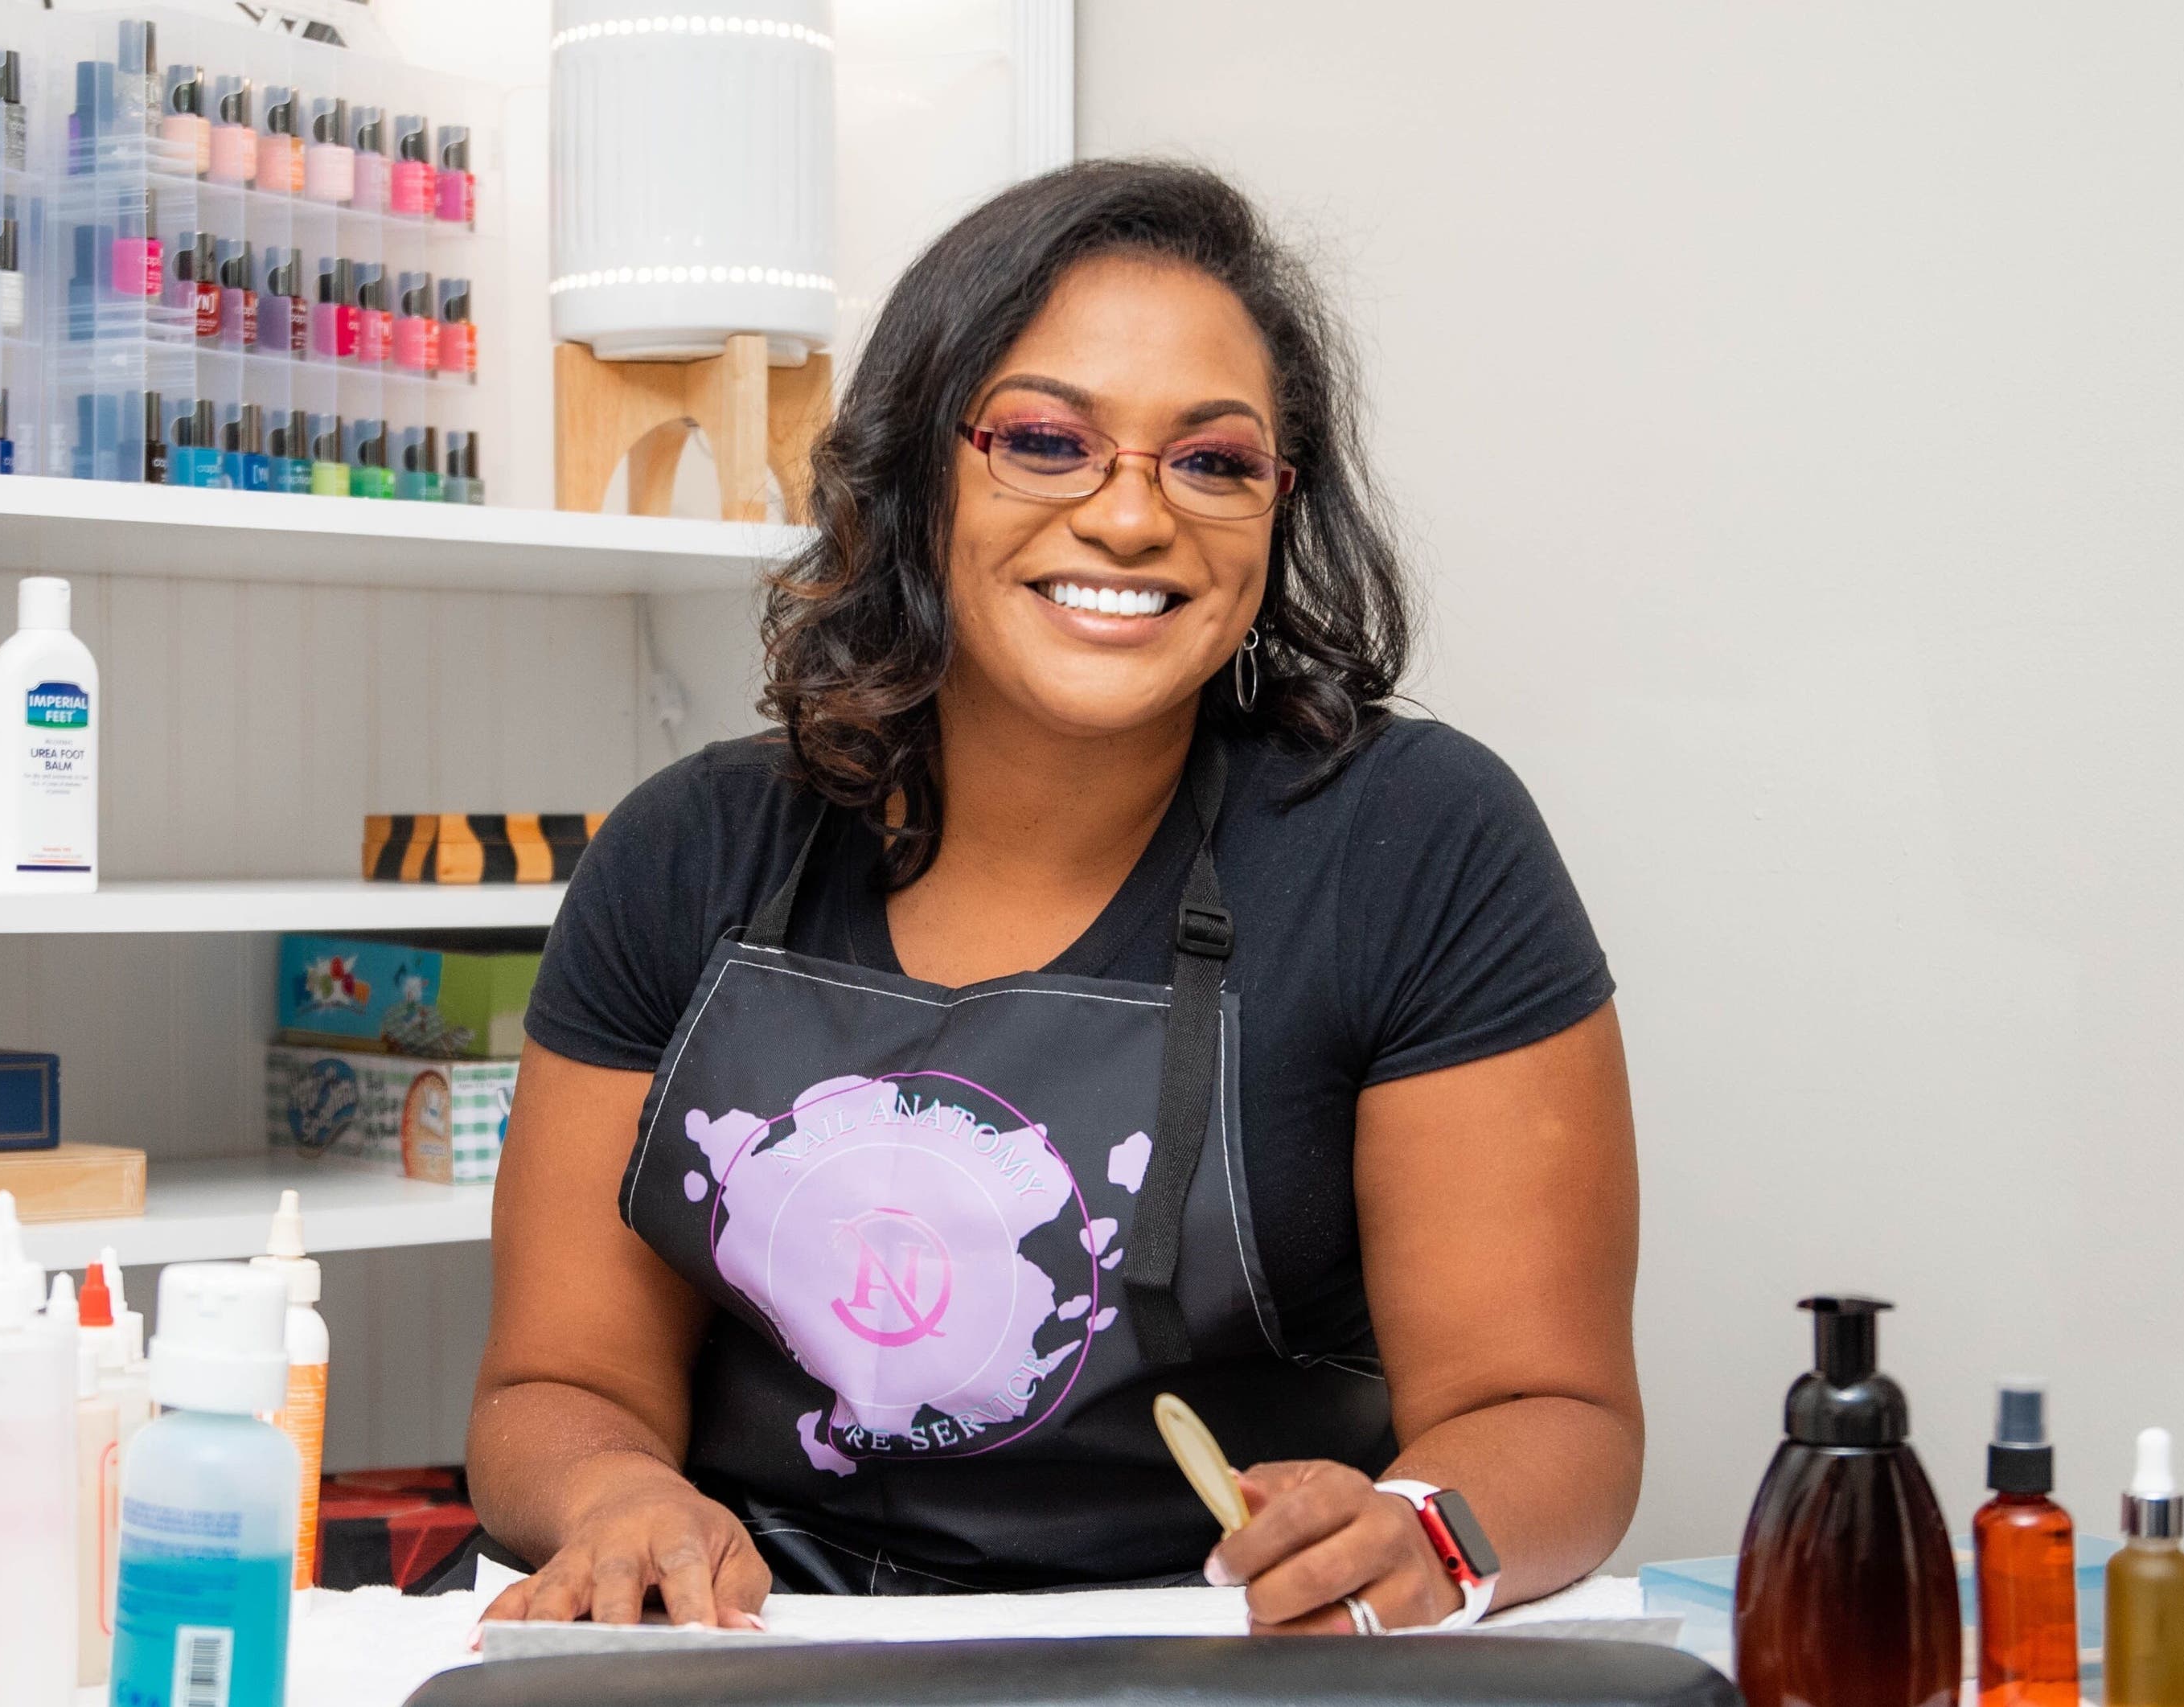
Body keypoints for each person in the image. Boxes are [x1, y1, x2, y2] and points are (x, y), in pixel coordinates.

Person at [470, 159, 1640, 1635]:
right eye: (1045, 441)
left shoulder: (1413, 843)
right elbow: (554, 1386)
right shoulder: (689, 852)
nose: (1135, 518)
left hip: (1233, 1653)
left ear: (1277, 511)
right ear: (914, 472)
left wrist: (1425, 1537)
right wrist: (614, 1502)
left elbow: (1551, 1412)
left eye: (1212, 461)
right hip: (765, 1642)